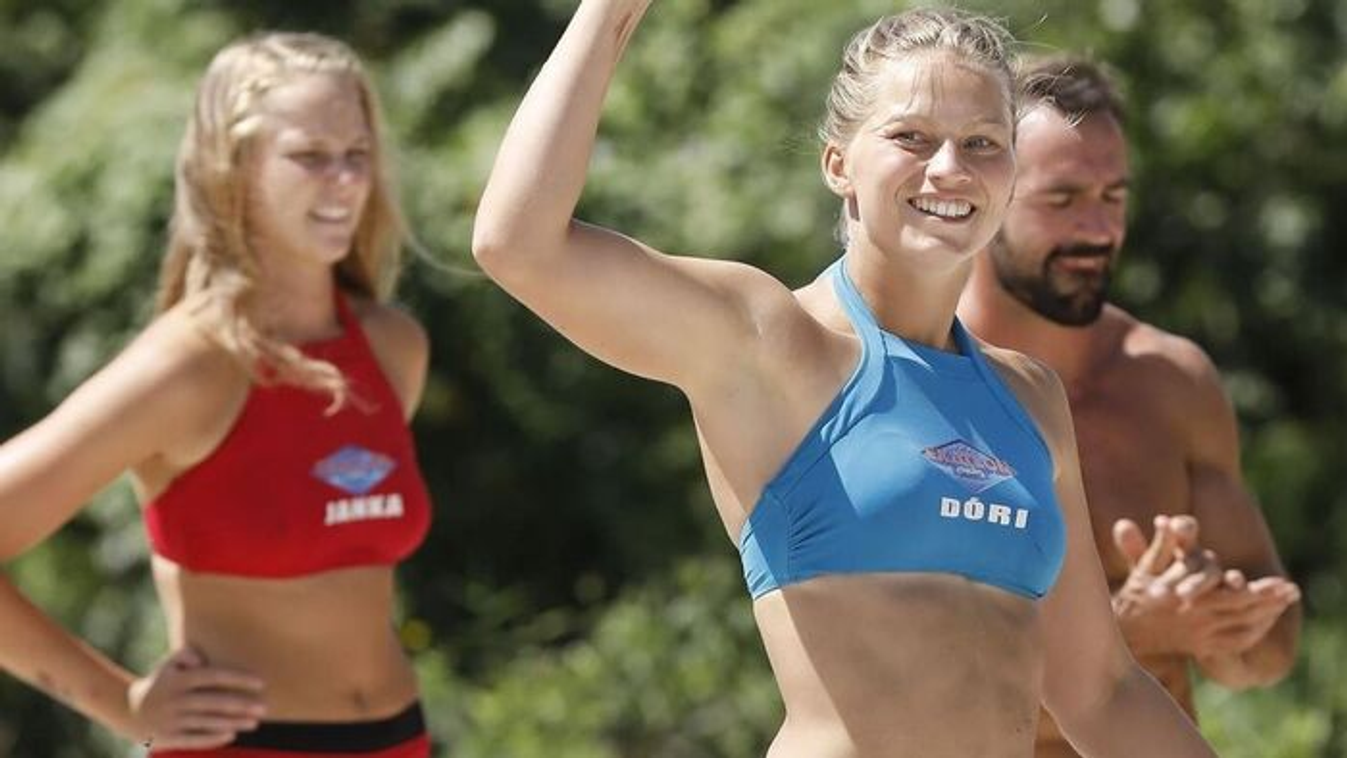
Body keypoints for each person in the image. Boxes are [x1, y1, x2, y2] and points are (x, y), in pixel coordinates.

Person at [472, 3, 1215, 755]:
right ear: (837, 164)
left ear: (1011, 174)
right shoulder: (770, 341)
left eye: (982, 143)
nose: (949, 168)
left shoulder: (1030, 396)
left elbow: (1100, 693)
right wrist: (609, 12)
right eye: (910, 137)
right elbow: (518, 245)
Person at [0, 32, 435, 756]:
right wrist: (121, 703)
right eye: (309, 155)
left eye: (357, 153)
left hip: (398, 739)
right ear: (231, 168)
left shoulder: (393, 349)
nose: (345, 180)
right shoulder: (190, 367)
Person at [956, 55, 1302, 758]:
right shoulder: (923, 387)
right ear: (983, 197)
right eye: (1061, 199)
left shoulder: (1169, 381)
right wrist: (1127, 637)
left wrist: (1219, 625)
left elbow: (1272, 644)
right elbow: (913, 692)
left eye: (1113, 196)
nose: (1097, 228)